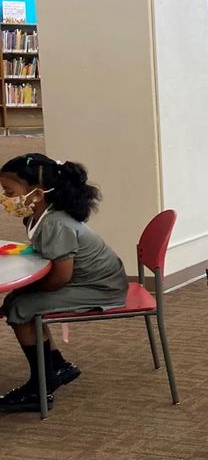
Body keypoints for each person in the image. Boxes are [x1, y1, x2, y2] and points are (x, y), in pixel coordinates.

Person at [0, 154, 126, 411]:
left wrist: (24, 291)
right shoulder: (39, 217)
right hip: (93, 281)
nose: (5, 198)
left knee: (19, 308)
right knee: (19, 300)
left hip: (101, 289)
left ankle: (40, 388)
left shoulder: (56, 224)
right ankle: (57, 365)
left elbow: (60, 277)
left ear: (36, 195)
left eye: (8, 191)